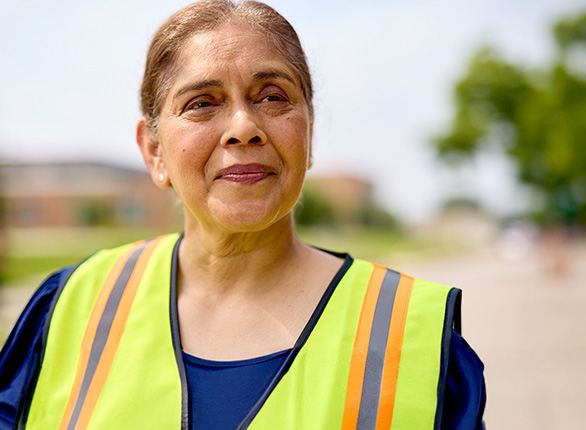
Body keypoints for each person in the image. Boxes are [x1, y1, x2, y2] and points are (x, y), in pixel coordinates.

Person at [0, 1, 486, 428]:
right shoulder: (66, 311)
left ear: (308, 133)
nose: (243, 128)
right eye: (202, 103)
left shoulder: (417, 341)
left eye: (273, 96)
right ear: (154, 152)